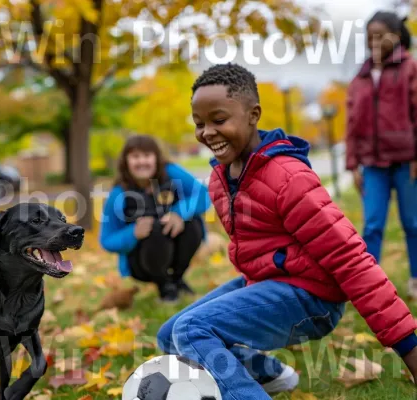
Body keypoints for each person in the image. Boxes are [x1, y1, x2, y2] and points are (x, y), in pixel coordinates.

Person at [156, 63, 417, 399]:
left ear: (254, 115)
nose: (207, 132)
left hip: (313, 297)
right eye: (199, 124)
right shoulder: (222, 180)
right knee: (170, 336)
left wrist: (409, 347)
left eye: (219, 120)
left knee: (192, 330)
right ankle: (274, 377)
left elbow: (352, 259)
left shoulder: (287, 177)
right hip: (270, 283)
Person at [346, 11, 417, 298]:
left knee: (412, 222)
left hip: (406, 162)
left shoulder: (410, 68)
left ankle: (415, 279)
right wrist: (352, 165)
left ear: (397, 36)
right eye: (369, 37)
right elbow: (351, 122)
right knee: (372, 224)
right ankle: (369, 285)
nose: (374, 41)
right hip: (372, 165)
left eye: (380, 35)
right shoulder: (360, 77)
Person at [100, 135, 211, 302]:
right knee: (155, 230)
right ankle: (164, 285)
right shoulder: (118, 194)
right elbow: (107, 240)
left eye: (147, 155)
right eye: (136, 156)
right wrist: (133, 233)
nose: (142, 161)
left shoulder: (171, 173)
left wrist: (178, 213)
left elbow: (204, 195)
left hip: (176, 248)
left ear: (156, 158)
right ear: (126, 161)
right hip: (141, 262)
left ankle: (176, 279)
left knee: (192, 222)